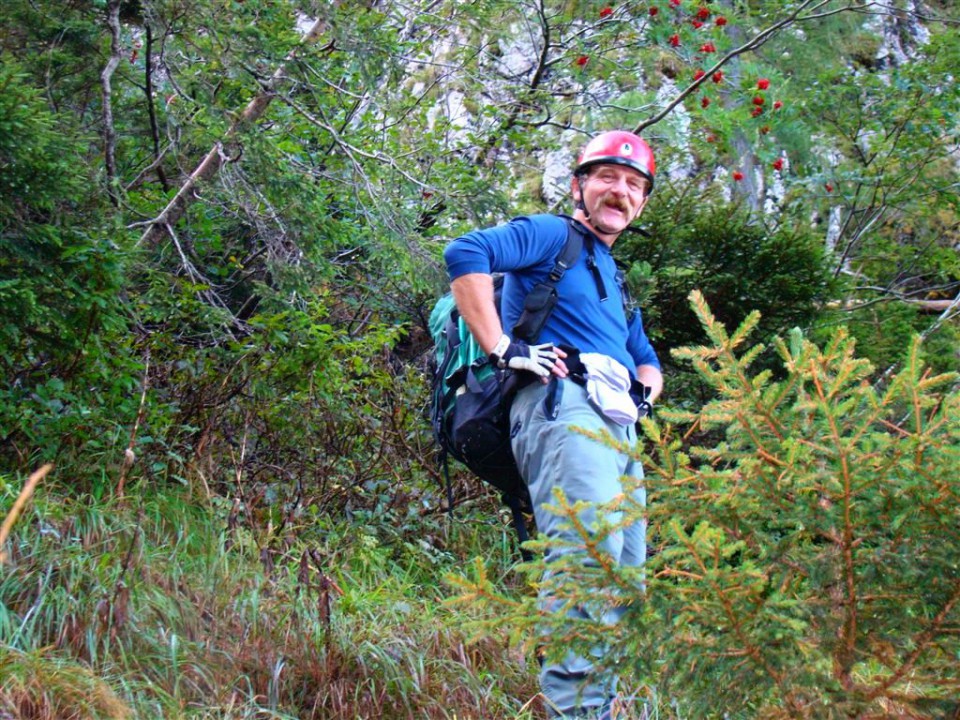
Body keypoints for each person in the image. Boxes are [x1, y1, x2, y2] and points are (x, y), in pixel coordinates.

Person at [442, 130, 663, 719]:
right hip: (560, 407)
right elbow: (465, 253)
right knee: (587, 563)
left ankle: (601, 709)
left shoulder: (612, 275)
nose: (621, 192)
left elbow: (646, 356)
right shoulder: (551, 235)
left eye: (634, 185)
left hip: (619, 428)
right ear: (579, 185)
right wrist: (504, 347)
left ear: (641, 202)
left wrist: (644, 389)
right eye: (609, 178)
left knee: (627, 580)